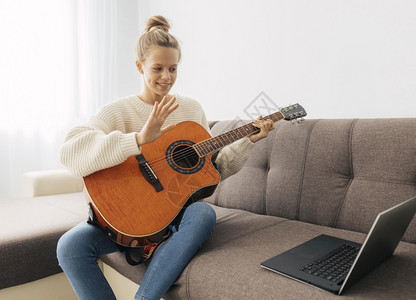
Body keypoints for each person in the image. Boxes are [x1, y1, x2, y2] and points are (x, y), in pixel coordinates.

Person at [57, 15, 274, 300]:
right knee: (69, 247)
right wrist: (138, 139)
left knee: (203, 213)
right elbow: (70, 152)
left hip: (175, 216)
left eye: (173, 69)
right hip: (128, 218)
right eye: (157, 68)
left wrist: (248, 140)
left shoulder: (191, 110)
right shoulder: (118, 111)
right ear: (139, 66)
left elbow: (213, 169)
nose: (166, 77)